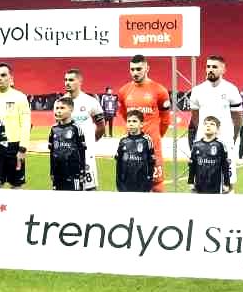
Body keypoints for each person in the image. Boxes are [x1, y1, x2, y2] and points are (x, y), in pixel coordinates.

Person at [116, 55, 173, 193]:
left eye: (139, 69)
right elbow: (124, 115)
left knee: (157, 186)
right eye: (132, 69)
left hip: (153, 146)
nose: (135, 73)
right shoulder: (124, 91)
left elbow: (165, 120)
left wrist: (155, 137)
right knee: (129, 183)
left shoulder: (160, 91)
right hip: (131, 147)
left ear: (147, 68)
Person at [0, 63, 31, 189]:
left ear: (10, 78)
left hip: (14, 147)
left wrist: (22, 149)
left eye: (3, 75)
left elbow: (26, 124)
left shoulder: (20, 97)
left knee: (16, 185)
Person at [62, 69, 104, 190]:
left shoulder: (90, 102)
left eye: (71, 80)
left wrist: (90, 141)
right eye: (65, 80)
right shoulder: (60, 103)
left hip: (86, 154)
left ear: (80, 82)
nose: (67, 83)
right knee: (67, 188)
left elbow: (101, 126)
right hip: (67, 155)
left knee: (89, 189)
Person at [188, 55, 243, 146]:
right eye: (208, 66)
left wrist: (232, 137)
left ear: (223, 70)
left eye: (214, 67)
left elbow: (238, 119)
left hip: (225, 140)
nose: (210, 69)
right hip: (202, 141)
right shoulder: (197, 90)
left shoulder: (231, 89)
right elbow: (195, 117)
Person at [48, 96, 90, 192]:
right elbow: (52, 152)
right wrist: (52, 172)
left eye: (62, 108)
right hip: (58, 172)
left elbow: (82, 151)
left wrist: (82, 171)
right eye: (57, 108)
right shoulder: (53, 129)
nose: (58, 111)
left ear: (71, 109)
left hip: (73, 172)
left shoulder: (76, 129)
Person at [188, 115, 234, 194]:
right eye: (206, 124)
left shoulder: (220, 145)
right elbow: (192, 166)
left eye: (212, 124)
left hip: (215, 187)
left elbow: (225, 166)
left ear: (218, 130)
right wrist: (191, 182)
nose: (208, 125)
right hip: (199, 186)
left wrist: (226, 183)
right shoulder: (196, 145)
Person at [114, 110, 157, 193]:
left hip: (142, 183)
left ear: (141, 124)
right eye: (129, 121)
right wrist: (118, 181)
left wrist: (149, 181)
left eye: (134, 121)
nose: (131, 123)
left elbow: (151, 162)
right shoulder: (123, 140)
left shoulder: (146, 140)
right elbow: (118, 163)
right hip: (125, 183)